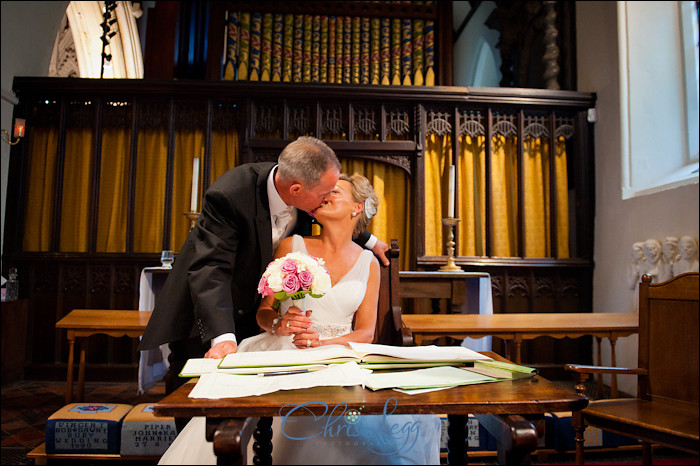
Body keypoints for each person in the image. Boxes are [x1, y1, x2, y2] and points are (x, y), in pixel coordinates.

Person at [158, 174, 442, 465]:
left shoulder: (369, 263)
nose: (324, 196)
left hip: (336, 355)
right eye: (323, 192)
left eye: (334, 192)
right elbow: (264, 312)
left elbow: (366, 333)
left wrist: (324, 342)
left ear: (357, 207)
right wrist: (277, 324)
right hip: (280, 350)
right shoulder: (291, 246)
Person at [138, 137, 389, 395]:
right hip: (209, 309)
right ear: (296, 191)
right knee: (195, 399)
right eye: (325, 194)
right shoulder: (231, 195)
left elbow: (341, 222)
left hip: (260, 323)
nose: (326, 199)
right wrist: (223, 336)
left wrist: (370, 240)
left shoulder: (306, 186)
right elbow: (212, 269)